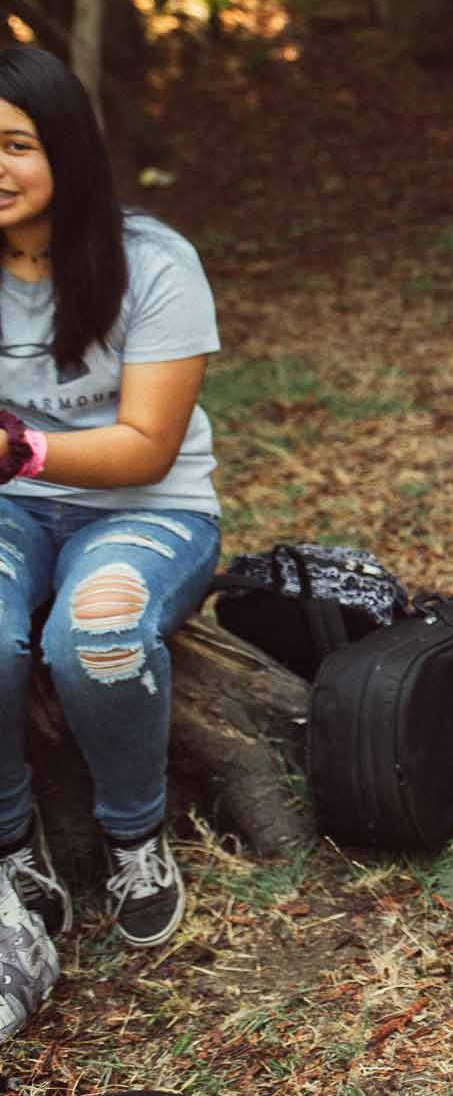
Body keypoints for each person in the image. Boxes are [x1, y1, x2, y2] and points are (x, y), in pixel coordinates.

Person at [0, 46, 221, 950]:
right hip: (13, 507)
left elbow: (144, 448)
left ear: (67, 146)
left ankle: (134, 834)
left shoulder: (153, 262)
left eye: (14, 144)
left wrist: (21, 451)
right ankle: (12, 842)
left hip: (150, 506)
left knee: (95, 632)